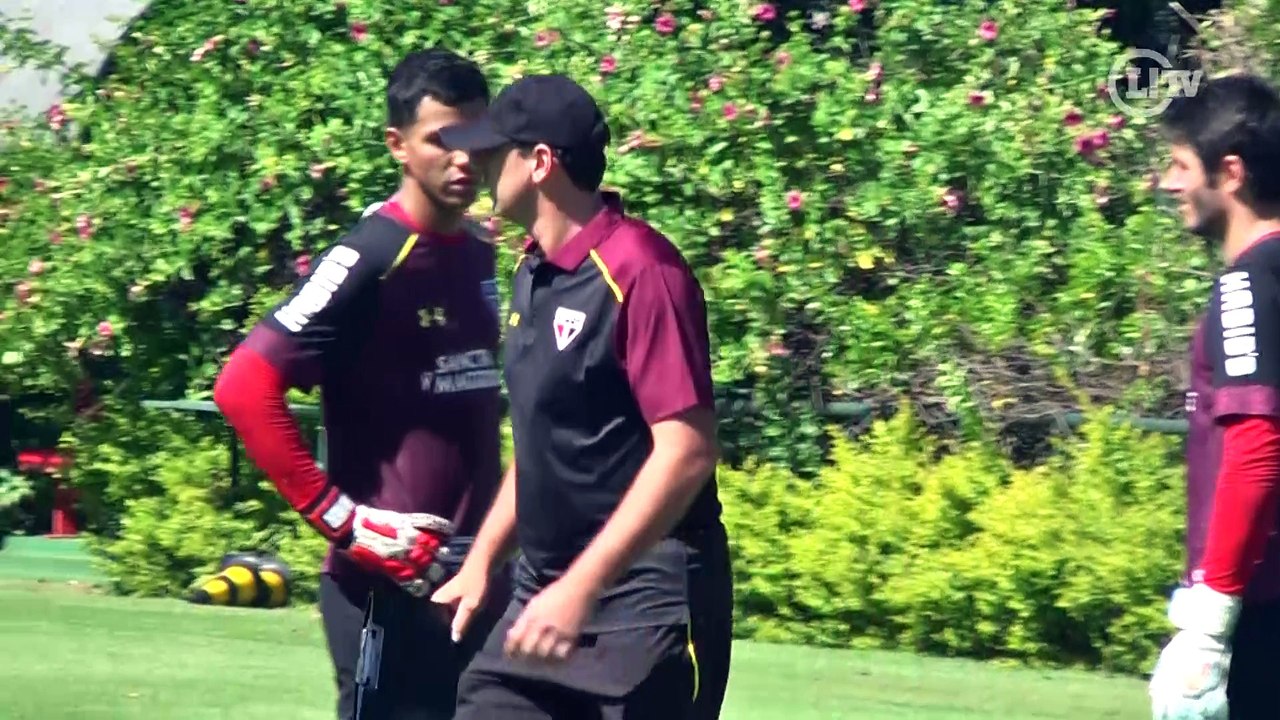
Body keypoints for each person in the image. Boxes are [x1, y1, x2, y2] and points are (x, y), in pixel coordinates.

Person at [213, 47, 509, 720]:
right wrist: (346, 523)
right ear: (397, 145)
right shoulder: (370, 253)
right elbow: (242, 385)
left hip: (477, 586)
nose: (465, 158)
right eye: (442, 140)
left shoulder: (483, 251)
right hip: (384, 591)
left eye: (478, 138)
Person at [429, 73, 734, 719]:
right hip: (540, 607)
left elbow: (686, 451)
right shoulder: (531, 272)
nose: (475, 166)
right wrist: (483, 561)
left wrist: (581, 588)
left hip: (645, 617)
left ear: (540, 162)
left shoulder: (644, 271)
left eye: (492, 152)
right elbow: (544, 444)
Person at [1150, 72, 1280, 720]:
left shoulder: (1249, 284)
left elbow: (1257, 444)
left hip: (1263, 608)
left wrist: (1209, 622)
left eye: (1180, 166)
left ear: (1230, 173)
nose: (1166, 184)